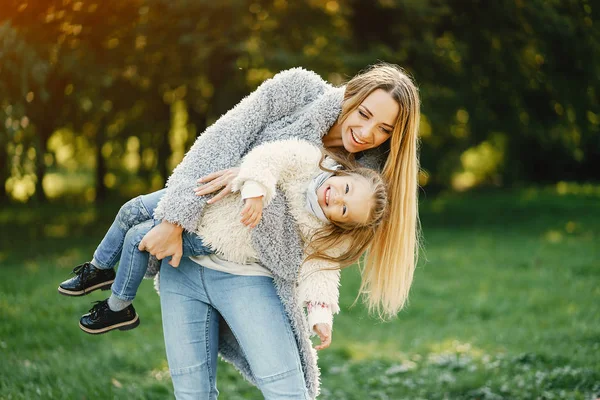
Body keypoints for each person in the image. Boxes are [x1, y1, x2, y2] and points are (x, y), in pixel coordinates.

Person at [62, 63, 420, 399]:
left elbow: (321, 255)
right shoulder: (298, 89)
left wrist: (247, 175)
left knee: (288, 393)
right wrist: (173, 222)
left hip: (248, 276)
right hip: (183, 262)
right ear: (351, 94)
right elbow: (221, 140)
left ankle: (114, 294)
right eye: (364, 114)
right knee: (191, 393)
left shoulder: (365, 180)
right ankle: (106, 284)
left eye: (385, 130)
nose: (368, 132)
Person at [58, 139, 387, 344]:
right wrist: (256, 190)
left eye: (344, 210)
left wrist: (321, 318)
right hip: (210, 197)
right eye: (345, 190)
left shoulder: (320, 231)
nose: (336, 200)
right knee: (130, 209)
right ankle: (98, 268)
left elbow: (320, 274)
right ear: (346, 174)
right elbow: (270, 157)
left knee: (137, 239)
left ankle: (119, 308)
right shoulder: (309, 160)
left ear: (342, 223)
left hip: (216, 236)